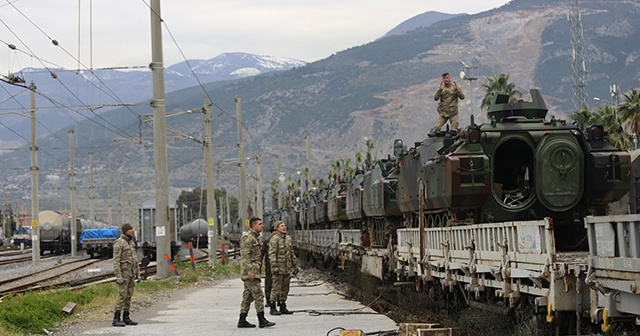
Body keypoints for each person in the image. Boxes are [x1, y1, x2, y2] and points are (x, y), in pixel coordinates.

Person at [238, 217, 276, 329]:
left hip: (253, 271)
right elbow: (246, 257)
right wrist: (250, 272)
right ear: (253, 225)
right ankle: (262, 319)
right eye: (260, 224)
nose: (262, 226)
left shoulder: (254, 238)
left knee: (247, 297)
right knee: (259, 295)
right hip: (250, 273)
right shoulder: (248, 238)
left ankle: (242, 319)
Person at [112, 223, 140, 327]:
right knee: (122, 296)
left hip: (131, 274)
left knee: (129, 296)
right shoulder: (119, 243)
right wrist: (118, 276)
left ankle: (126, 317)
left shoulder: (131, 243)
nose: (132, 230)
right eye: (130, 229)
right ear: (125, 231)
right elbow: (116, 261)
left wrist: (138, 273)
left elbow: (135, 260)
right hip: (124, 274)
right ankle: (116, 318)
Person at [268, 220, 298, 315]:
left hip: (287, 268)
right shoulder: (274, 239)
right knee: (276, 288)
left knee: (285, 288)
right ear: (276, 228)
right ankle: (272, 306)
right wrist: (274, 266)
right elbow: (272, 254)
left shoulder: (288, 239)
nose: (284, 227)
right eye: (281, 226)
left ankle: (282, 305)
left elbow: (291, 253)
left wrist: (294, 265)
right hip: (278, 268)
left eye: (284, 225)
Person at [261, 225, 278, 308]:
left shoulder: (281, 242)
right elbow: (261, 254)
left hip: (279, 265)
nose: (275, 233)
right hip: (269, 265)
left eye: (276, 231)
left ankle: (278, 299)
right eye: (274, 231)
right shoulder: (267, 242)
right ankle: (268, 300)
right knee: (269, 282)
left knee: (279, 283)